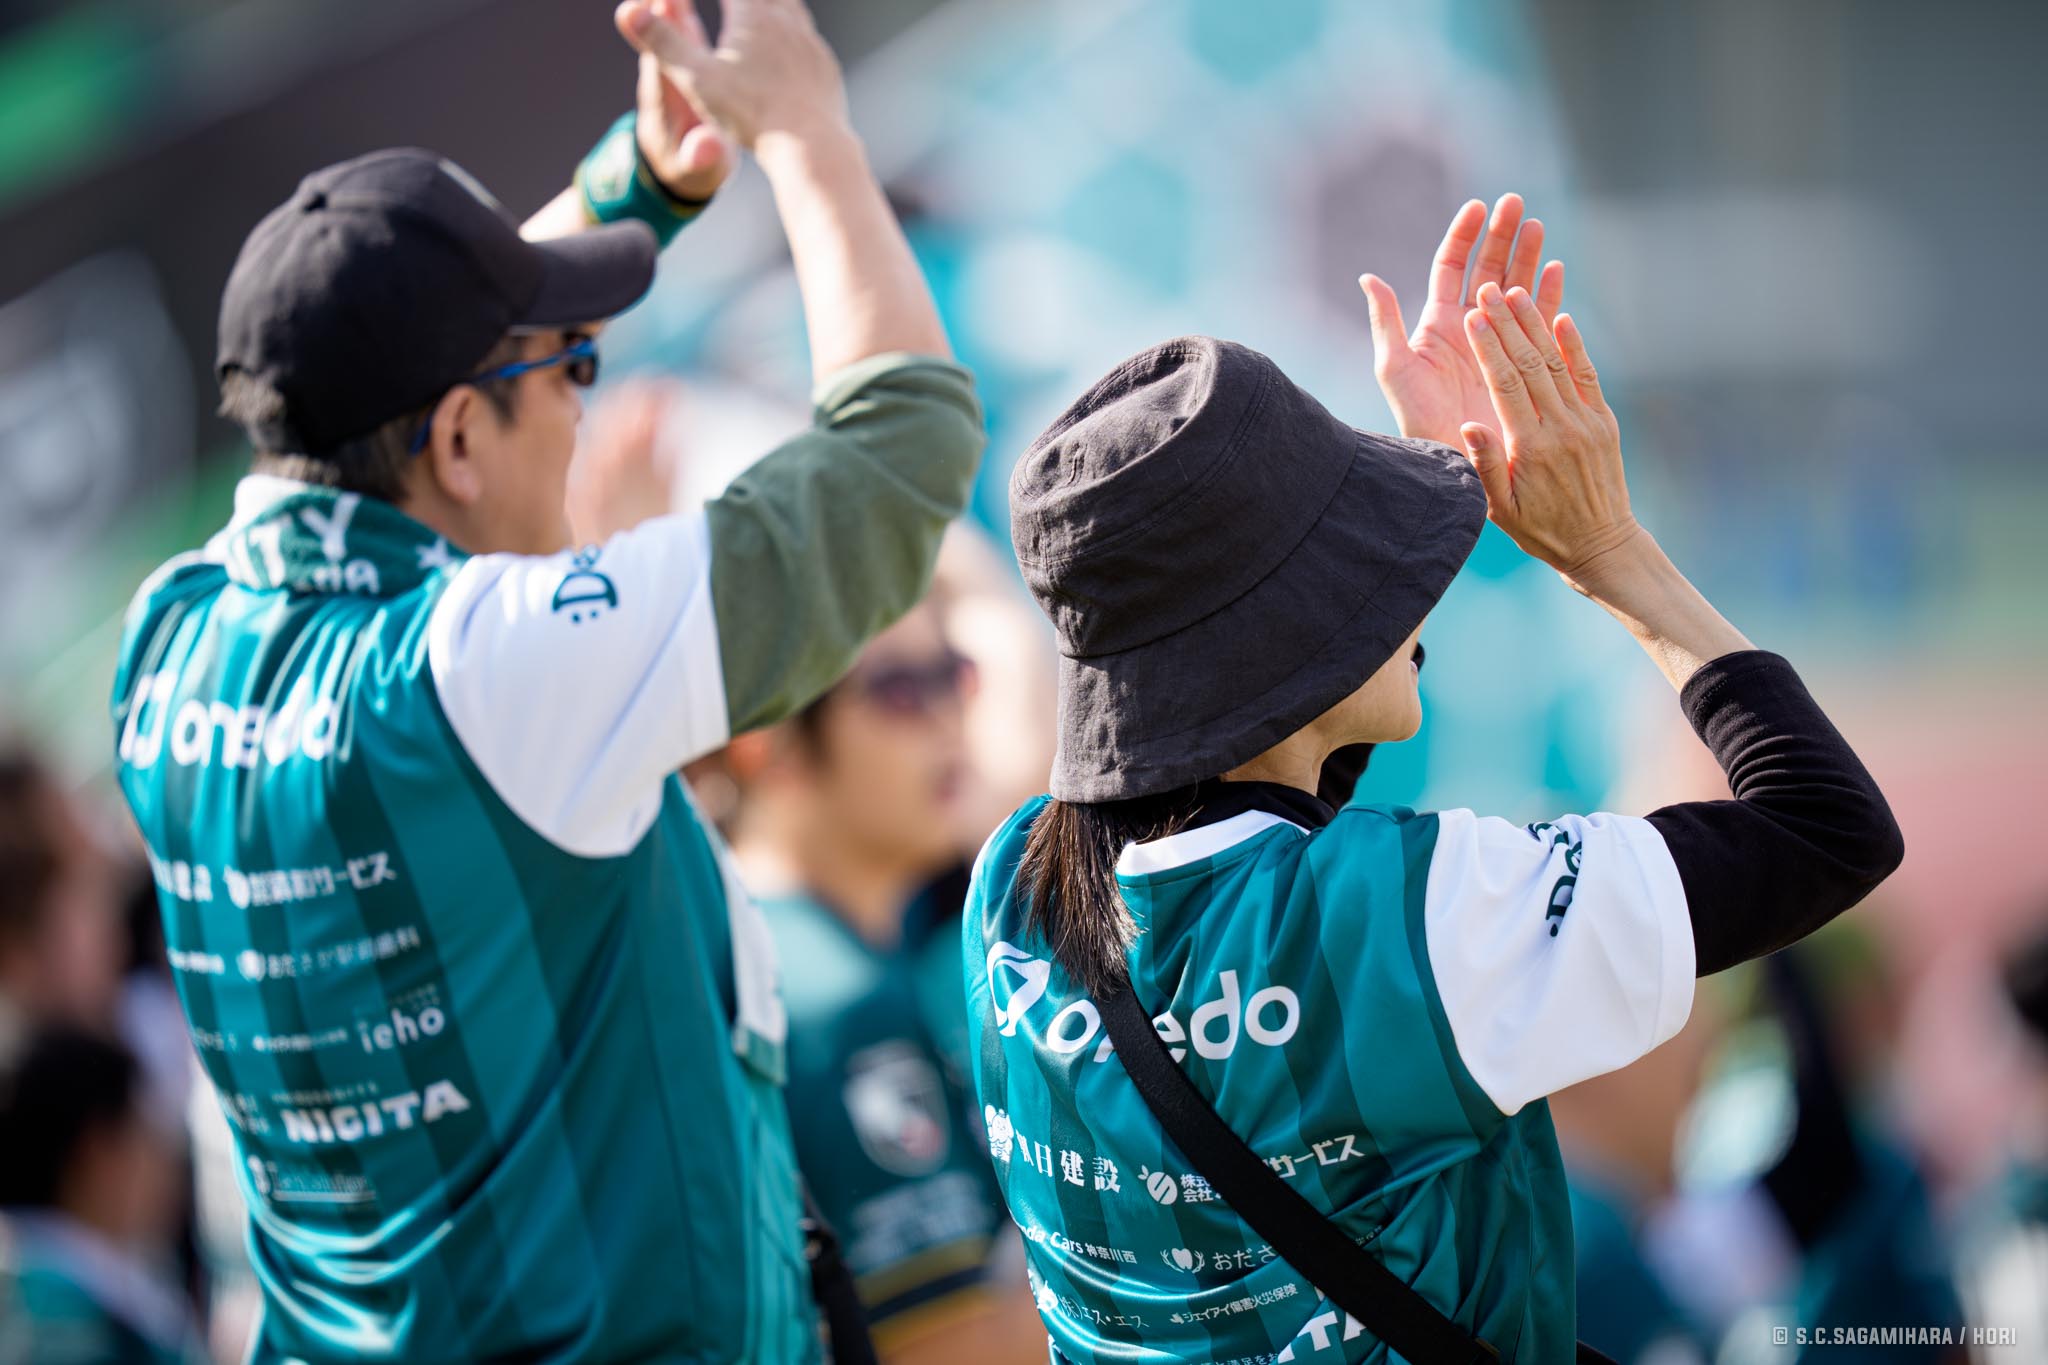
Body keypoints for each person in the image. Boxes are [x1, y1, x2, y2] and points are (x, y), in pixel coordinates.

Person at [105, 0, 984, 1357]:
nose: (584, 404)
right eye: (572, 365)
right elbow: (900, 456)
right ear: (460, 439)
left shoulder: (170, 636)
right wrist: (810, 134)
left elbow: (379, 344)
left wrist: (642, 187)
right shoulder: (483, 667)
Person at [963, 197, 1904, 1363]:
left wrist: (1381, 536)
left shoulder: (1008, 892)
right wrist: (1606, 552)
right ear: (1283, 644)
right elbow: (1824, 827)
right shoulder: (1424, 917)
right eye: (1360, 564)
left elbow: (1265, 804)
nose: (1410, 582)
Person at [714, 598, 1045, 1363]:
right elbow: (948, 1351)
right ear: (770, 745)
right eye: (899, 690)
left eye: (951, 674)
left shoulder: (789, 941)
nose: (947, 719)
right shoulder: (831, 999)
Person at [0, 1026, 198, 1365]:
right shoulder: (66, 1326)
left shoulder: (44, 1286)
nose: (167, 1162)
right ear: (96, 1152)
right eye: (145, 1133)